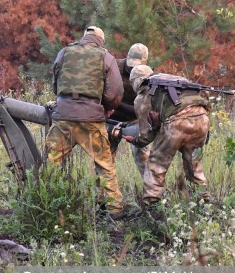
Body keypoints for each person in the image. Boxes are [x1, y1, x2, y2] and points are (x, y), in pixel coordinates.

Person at [45, 26, 128, 220]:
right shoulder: (106, 57)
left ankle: (47, 204)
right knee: (104, 163)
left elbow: (55, 84)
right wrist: (106, 107)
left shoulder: (64, 52)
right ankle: (115, 210)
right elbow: (116, 92)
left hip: (63, 115)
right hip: (91, 118)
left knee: (52, 162)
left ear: (84, 38)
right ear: (100, 40)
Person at [123, 65, 211, 206]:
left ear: (135, 81)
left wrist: (135, 141)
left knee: (156, 163)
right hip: (202, 117)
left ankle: (152, 203)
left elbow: (146, 135)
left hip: (177, 122)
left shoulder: (143, 96)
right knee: (194, 163)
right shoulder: (172, 80)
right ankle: (204, 200)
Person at [108, 43, 151, 176]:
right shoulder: (113, 67)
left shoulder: (147, 75)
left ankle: (153, 191)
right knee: (104, 158)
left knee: (142, 155)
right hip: (111, 119)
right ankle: (102, 194)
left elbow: (143, 109)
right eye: (130, 64)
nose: (132, 68)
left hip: (134, 120)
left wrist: (117, 104)